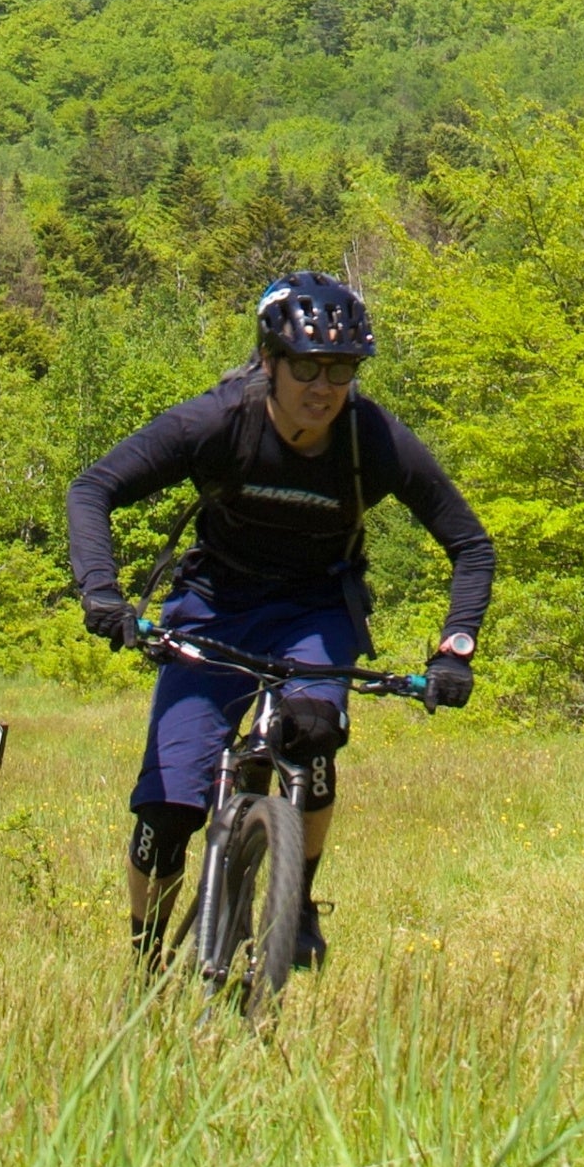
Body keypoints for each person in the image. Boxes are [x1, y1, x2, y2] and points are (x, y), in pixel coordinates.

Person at [66, 270, 494, 969]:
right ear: (268, 361)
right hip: (211, 610)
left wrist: (456, 651)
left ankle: (295, 899)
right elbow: (93, 488)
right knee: (169, 808)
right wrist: (102, 594)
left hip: (314, 610)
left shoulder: (372, 439)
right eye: (306, 367)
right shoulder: (217, 420)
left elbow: (470, 545)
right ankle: (145, 962)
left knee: (314, 736)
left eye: (342, 370)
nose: (324, 387)